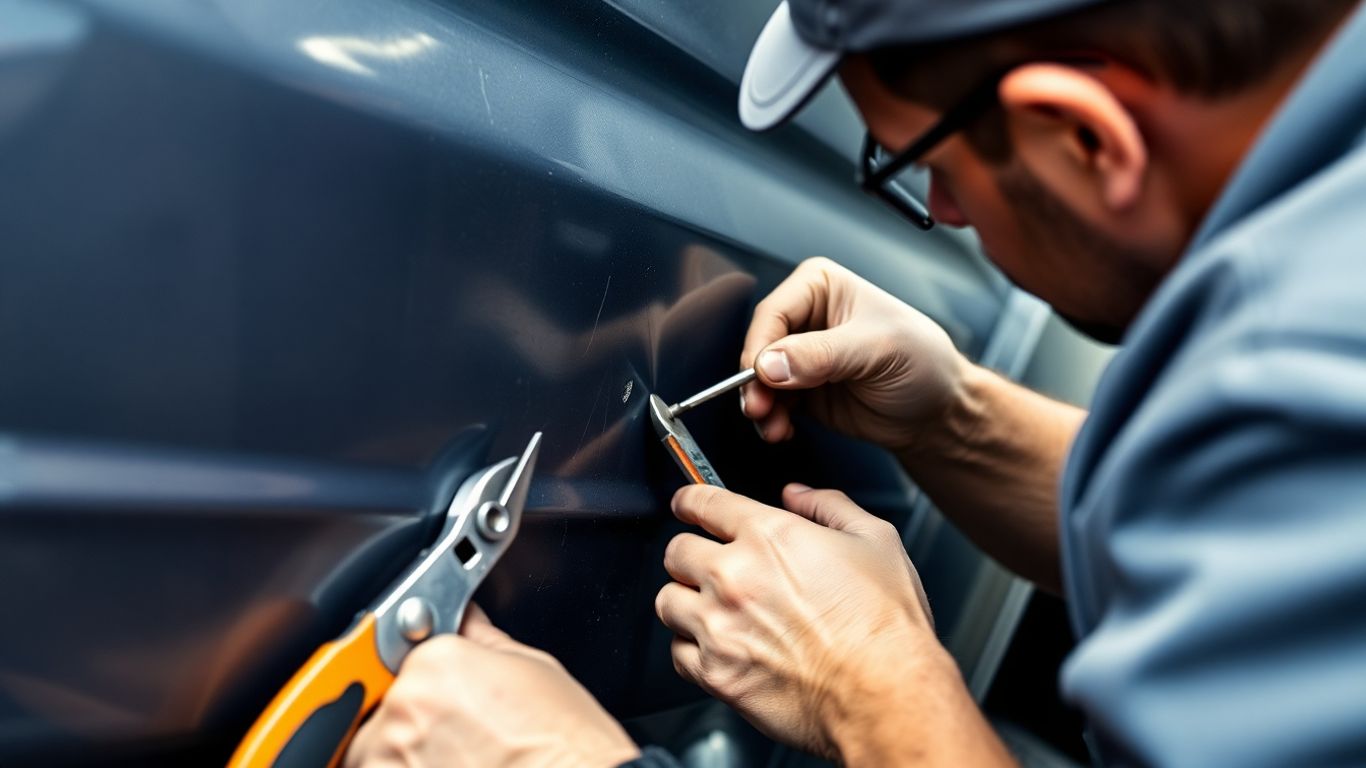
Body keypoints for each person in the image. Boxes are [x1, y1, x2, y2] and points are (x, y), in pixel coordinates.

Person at [344, 0, 1366, 764]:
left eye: (931, 166)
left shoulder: (1298, 362)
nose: (946, 214)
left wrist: (868, 685)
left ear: (1087, 137)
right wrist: (955, 418)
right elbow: (1259, 534)